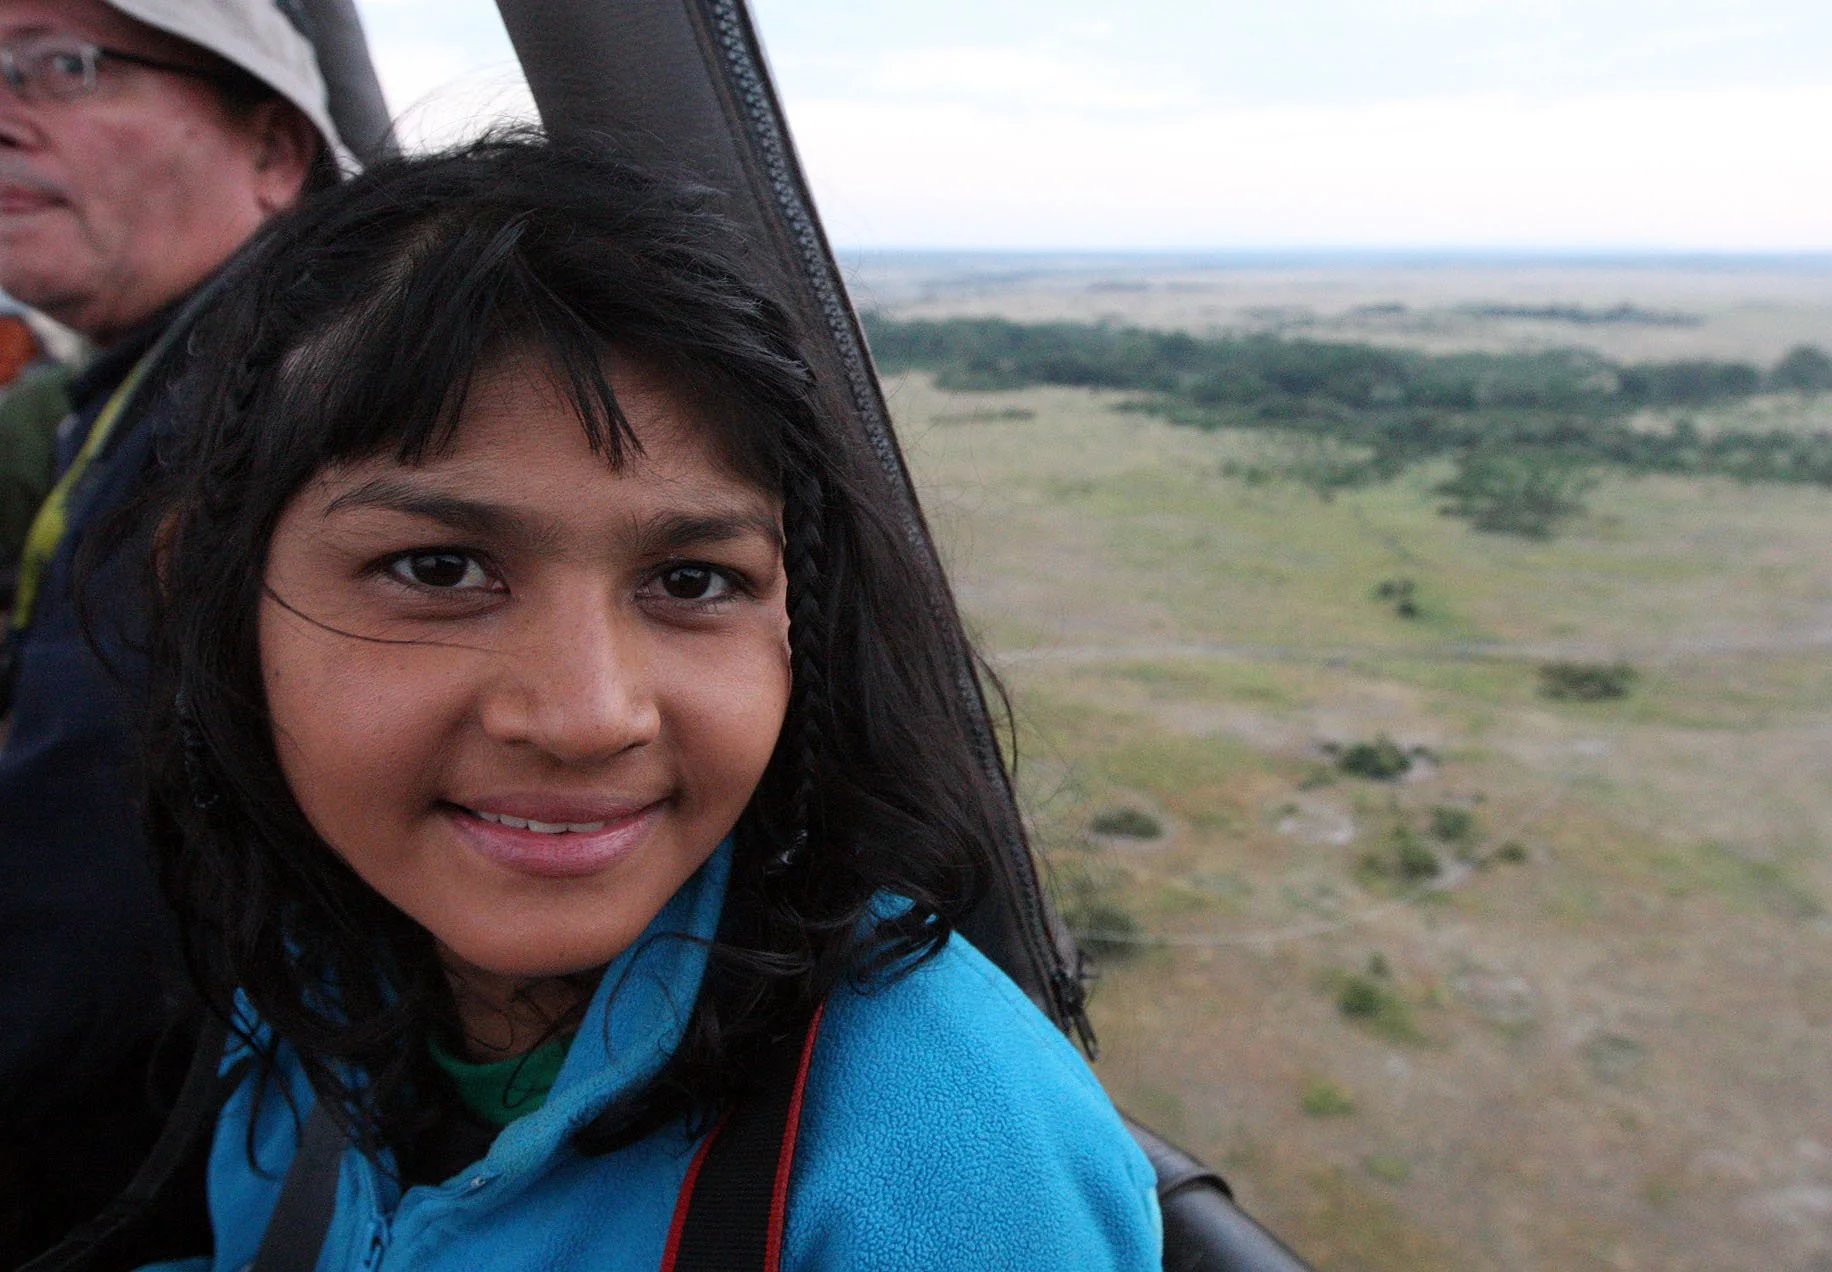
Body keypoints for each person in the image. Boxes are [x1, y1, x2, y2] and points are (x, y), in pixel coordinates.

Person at [132, 135, 1161, 1269]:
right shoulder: (317, 971)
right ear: (218, 598)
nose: (586, 715)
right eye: (438, 569)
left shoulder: (946, 1155)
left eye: (692, 581)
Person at [0, 0, 341, 1257]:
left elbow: (87, 904)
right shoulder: (160, 377)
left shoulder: (248, 413)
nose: (1, 111)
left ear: (272, 154)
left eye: (64, 66)